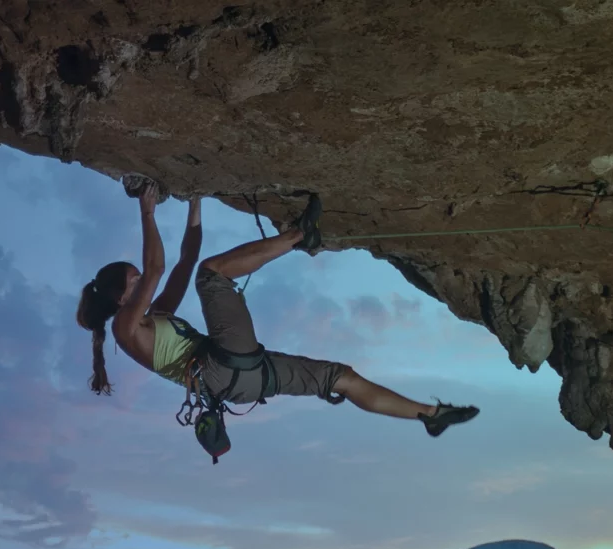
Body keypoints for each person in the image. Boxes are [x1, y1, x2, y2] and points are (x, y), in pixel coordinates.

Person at [75, 183, 479, 440]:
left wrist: (195, 200)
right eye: (132, 281)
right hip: (220, 367)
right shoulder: (126, 330)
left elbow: (184, 261)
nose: (141, 281)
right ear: (117, 299)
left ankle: (429, 414)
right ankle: (302, 234)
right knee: (211, 276)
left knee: (342, 378)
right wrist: (146, 212)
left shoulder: (154, 316)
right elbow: (160, 267)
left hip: (241, 380)